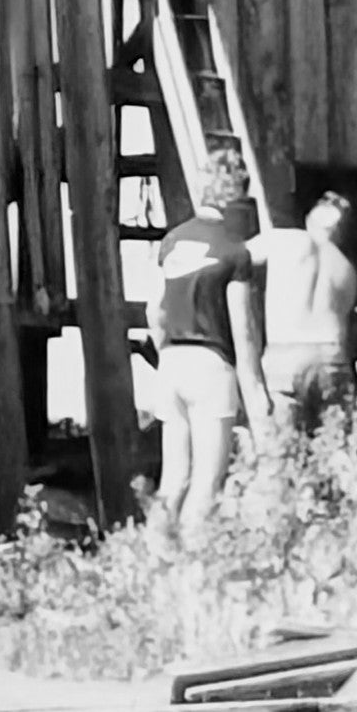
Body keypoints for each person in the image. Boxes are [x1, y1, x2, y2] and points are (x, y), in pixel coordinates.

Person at [147, 147, 269, 532]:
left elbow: (156, 311)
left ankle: (151, 562)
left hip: (172, 363)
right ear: (238, 196)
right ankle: (196, 577)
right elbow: (243, 329)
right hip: (211, 366)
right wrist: (256, 393)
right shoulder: (235, 251)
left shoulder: (172, 243)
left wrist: (164, 351)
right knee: (206, 482)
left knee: (172, 479)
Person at [253, 192, 357, 432]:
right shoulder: (347, 269)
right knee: (333, 448)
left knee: (284, 446)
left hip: (287, 353)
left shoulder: (286, 240)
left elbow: (234, 259)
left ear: (311, 218)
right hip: (332, 355)